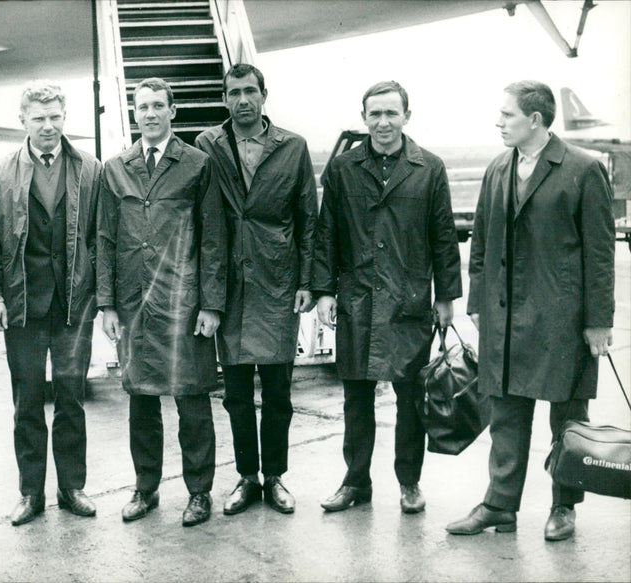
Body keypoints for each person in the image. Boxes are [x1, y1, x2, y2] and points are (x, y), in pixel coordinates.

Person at [446, 81, 615, 541]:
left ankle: (564, 506)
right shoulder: (498, 169)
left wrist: (599, 321)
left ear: (535, 120)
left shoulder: (583, 169)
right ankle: (500, 505)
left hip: (562, 319)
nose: (499, 122)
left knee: (567, 417)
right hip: (503, 319)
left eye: (507, 115)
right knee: (505, 415)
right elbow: (479, 244)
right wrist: (479, 303)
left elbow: (599, 254)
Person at [312, 80, 462, 514]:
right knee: (356, 399)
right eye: (374, 114)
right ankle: (356, 481)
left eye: (391, 113)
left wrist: (446, 296)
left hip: (409, 301)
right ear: (363, 118)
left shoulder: (428, 168)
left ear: (406, 117)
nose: (382, 122)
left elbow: (444, 235)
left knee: (411, 399)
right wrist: (324, 291)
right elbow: (327, 235)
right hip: (357, 301)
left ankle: (409, 482)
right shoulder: (342, 169)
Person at [97, 77, 227, 527]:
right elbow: (105, 238)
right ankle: (145, 488)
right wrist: (107, 304)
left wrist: (212, 305)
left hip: (183, 302)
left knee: (191, 399)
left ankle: (198, 492)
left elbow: (213, 239)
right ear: (134, 113)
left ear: (173, 111)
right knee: (141, 402)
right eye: (142, 107)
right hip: (134, 306)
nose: (150, 114)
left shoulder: (197, 164)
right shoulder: (116, 167)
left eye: (158, 106)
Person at [0, 81, 102, 526]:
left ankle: (73, 488)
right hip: (22, 306)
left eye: (55, 118)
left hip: (74, 305)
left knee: (72, 398)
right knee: (26, 400)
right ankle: (31, 492)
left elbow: (99, 237)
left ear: (64, 118)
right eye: (39, 118)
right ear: (23, 121)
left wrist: (100, 297)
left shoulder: (90, 169)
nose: (48, 126)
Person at [194, 63, 317, 515]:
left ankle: (277, 477)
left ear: (264, 95)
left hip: (278, 281)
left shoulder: (293, 147)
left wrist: (307, 282)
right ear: (224, 99)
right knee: (237, 393)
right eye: (234, 93)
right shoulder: (208, 144)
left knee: (279, 390)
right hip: (229, 284)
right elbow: (203, 218)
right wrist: (209, 292)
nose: (243, 100)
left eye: (250, 91)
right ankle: (247, 477)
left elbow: (309, 220)